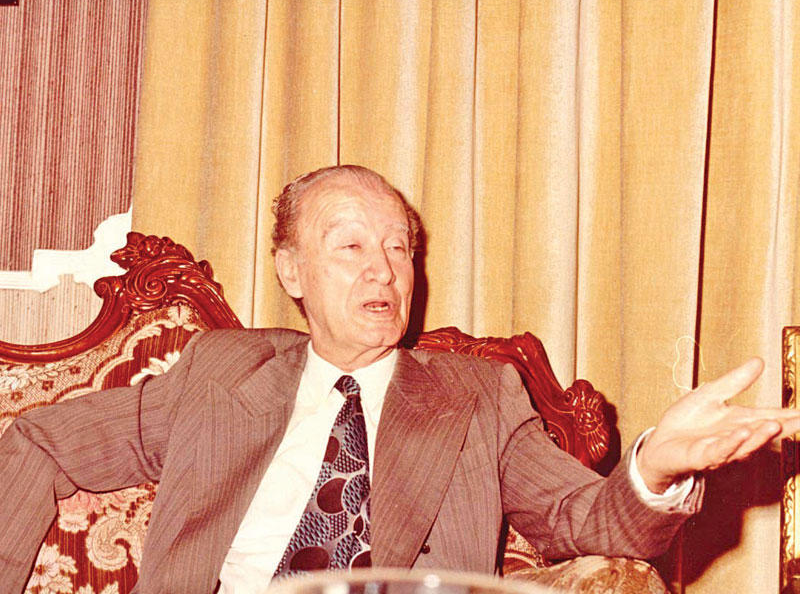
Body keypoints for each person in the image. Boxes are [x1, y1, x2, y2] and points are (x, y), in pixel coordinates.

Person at [1, 164, 799, 594]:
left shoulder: (477, 397)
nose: (383, 269)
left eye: (398, 247)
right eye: (350, 246)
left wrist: (656, 467)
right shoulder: (221, 372)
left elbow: (583, 520)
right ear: (292, 271)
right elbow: (39, 439)